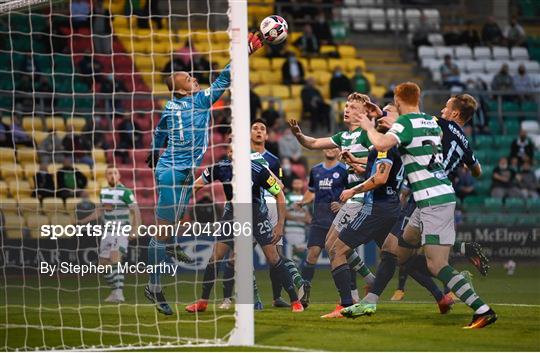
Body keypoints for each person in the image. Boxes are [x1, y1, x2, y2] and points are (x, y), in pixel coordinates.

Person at [344, 83, 496, 329]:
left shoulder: (433, 123)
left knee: (435, 264)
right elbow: (477, 170)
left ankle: (482, 309)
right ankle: (458, 257)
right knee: (400, 254)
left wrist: (370, 125)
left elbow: (386, 140)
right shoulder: (432, 123)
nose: (444, 110)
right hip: (434, 195)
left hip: (429, 199)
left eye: (447, 107)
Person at [143, 32, 263, 315]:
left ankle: (170, 245)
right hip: (174, 173)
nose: (194, 79)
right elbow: (223, 79)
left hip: (181, 173)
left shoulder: (170, 106)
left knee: (171, 227)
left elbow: (161, 131)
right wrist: (244, 51)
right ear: (183, 89)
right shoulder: (197, 102)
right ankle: (154, 286)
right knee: (161, 233)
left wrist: (154, 149)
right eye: (188, 79)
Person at [184, 146, 305, 313]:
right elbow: (196, 185)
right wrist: (180, 201)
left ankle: (294, 300)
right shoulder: (220, 168)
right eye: (232, 150)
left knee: (273, 257)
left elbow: (279, 194)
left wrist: (280, 225)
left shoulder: (258, 170)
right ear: (229, 153)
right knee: (216, 257)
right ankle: (203, 301)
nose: (235, 153)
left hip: (256, 215)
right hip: (232, 215)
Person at [289, 93, 383, 305]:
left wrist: (355, 160)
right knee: (340, 247)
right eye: (346, 105)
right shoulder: (343, 137)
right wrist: (299, 136)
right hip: (352, 198)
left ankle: (347, 301)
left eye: (352, 107)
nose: (346, 109)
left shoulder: (368, 134)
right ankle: (359, 290)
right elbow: (312, 143)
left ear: (364, 112)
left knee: (334, 247)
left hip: (363, 196)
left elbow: (377, 159)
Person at [251, 119, 307, 308]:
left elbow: (281, 186)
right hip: (250, 206)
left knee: (275, 253)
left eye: (262, 129)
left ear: (266, 136)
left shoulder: (274, 160)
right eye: (255, 128)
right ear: (249, 134)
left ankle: (276, 297)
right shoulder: (241, 157)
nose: (258, 131)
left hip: (271, 204)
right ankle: (249, 298)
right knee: (241, 254)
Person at [78, 166, 141, 303]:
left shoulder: (125, 192)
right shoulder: (104, 192)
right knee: (102, 265)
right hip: (107, 232)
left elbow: (135, 210)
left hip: (121, 230)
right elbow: (100, 211)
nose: (112, 175)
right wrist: (83, 221)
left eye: (115, 173)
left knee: (115, 258)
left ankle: (119, 293)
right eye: (109, 173)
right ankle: (114, 291)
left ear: (119, 176)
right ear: (106, 176)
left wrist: (135, 229)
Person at [298, 148, 348, 296]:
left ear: (338, 151)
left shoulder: (344, 169)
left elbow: (353, 192)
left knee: (342, 256)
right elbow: (312, 191)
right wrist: (303, 201)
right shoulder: (315, 170)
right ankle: (304, 292)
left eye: (333, 147)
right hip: (319, 221)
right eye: (327, 146)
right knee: (312, 255)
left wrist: (342, 206)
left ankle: (350, 293)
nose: (330, 149)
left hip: (337, 222)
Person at [284, 178, 310, 263]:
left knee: (297, 253)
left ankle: (293, 271)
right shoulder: (288, 197)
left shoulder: (305, 198)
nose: (297, 184)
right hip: (291, 228)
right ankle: (293, 270)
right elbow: (284, 213)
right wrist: (299, 219)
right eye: (295, 183)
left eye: (299, 183)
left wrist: (308, 219)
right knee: (299, 250)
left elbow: (307, 215)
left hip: (301, 229)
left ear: (302, 184)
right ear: (292, 185)